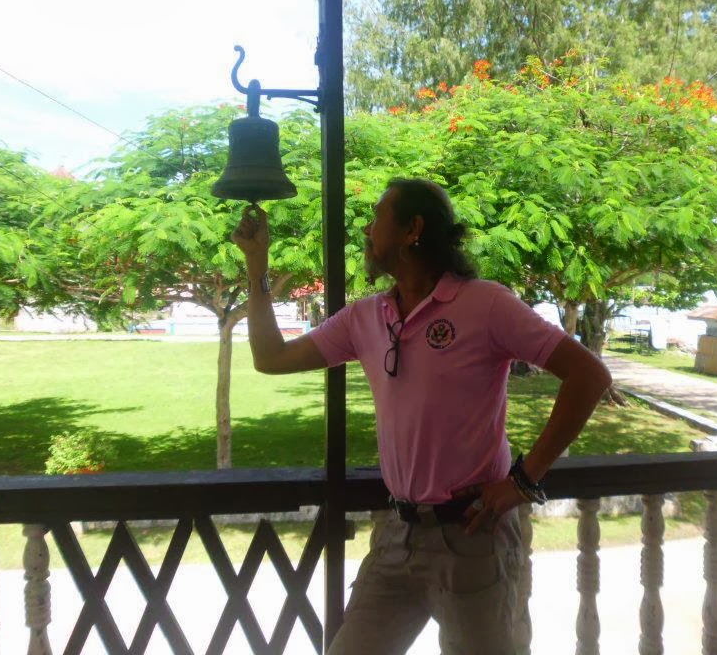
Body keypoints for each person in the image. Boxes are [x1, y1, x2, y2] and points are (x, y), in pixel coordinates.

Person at [232, 177, 612, 655]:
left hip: (473, 537)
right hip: (397, 534)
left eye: (377, 218)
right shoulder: (365, 317)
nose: (367, 231)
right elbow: (270, 357)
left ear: (413, 229)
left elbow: (589, 376)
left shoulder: (486, 304)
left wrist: (522, 480)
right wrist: (255, 269)